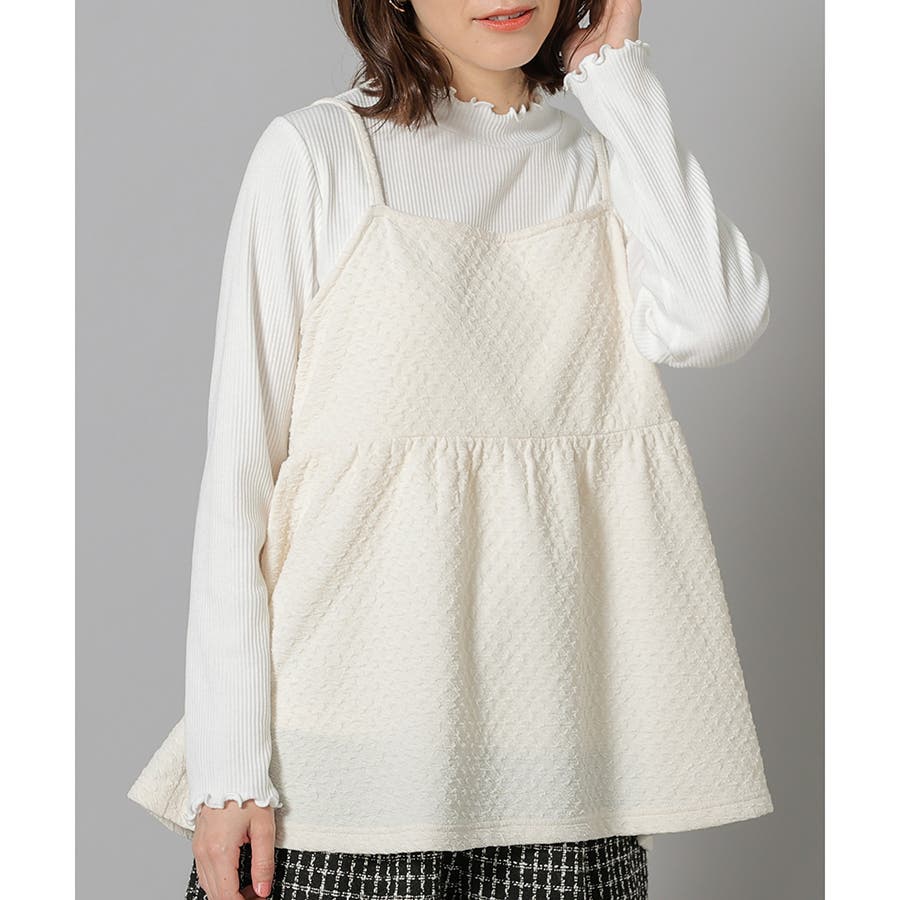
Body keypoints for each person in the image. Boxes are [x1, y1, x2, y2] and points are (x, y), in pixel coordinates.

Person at [126, 2, 775, 898]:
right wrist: (229, 769)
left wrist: (619, 81)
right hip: (338, 767)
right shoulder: (318, 156)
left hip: (562, 764)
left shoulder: (602, 167)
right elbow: (240, 482)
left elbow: (720, 318)